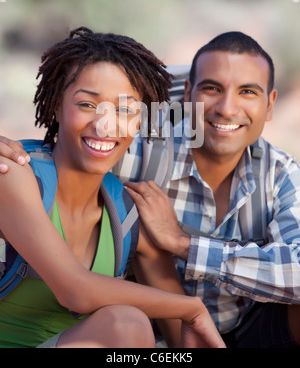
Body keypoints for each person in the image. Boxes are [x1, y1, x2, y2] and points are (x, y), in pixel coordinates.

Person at [3, 30, 300, 348]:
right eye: (87, 104)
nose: (106, 125)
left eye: (126, 110)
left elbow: (187, 341)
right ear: (57, 105)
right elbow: (74, 290)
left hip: (249, 326)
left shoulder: (128, 211)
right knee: (127, 324)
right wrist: (190, 308)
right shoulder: (15, 171)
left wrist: (182, 246)